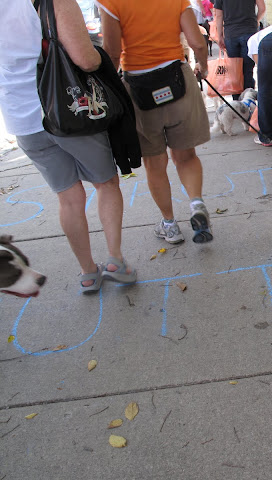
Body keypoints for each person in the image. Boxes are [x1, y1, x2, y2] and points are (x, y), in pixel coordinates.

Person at [0, 0, 137, 294]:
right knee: (106, 183)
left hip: (21, 118)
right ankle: (115, 261)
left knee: (69, 198)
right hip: (68, 112)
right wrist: (101, 58)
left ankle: (88, 273)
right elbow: (85, 59)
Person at [99, 0, 214, 244]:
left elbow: (111, 52)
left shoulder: (110, 2)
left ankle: (170, 226)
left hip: (139, 88)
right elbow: (197, 42)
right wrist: (202, 66)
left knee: (155, 163)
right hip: (178, 79)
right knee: (186, 156)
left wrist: (111, 88)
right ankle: (197, 205)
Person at [214, 0, 266, 99]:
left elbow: (219, 15)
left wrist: (220, 35)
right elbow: (262, 9)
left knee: (234, 72)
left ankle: (236, 103)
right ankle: (248, 102)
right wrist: (256, 21)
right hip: (249, 32)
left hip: (231, 34)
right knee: (248, 70)